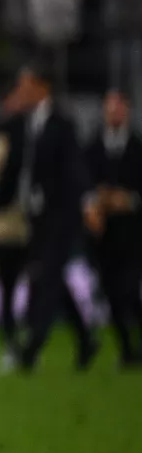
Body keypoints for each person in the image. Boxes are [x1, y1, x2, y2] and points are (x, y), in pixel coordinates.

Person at [5, 63, 95, 371]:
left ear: (42, 88)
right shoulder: (28, 121)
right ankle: (86, 340)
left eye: (26, 85)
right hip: (39, 216)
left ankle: (31, 349)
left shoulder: (62, 124)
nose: (21, 91)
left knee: (46, 278)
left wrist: (88, 202)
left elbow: (75, 167)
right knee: (55, 281)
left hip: (62, 216)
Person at [85, 89, 141, 367]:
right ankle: (127, 350)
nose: (114, 112)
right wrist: (95, 203)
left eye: (118, 107)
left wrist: (127, 200)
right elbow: (84, 185)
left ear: (127, 111)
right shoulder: (93, 147)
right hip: (103, 235)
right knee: (110, 293)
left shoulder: (138, 148)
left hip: (132, 234)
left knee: (129, 291)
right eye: (110, 107)